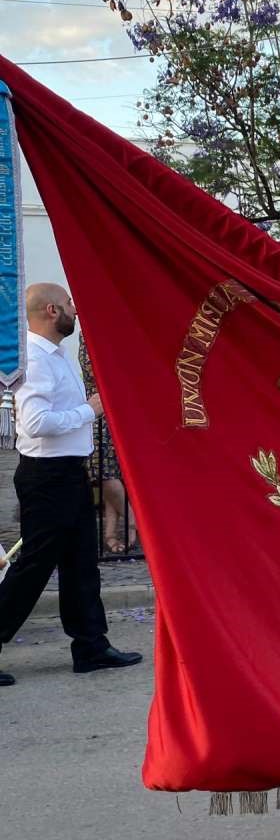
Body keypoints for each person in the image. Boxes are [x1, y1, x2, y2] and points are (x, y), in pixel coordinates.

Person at [0, 283, 142, 687]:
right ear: (50, 311)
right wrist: (89, 410)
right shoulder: (36, 360)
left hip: (68, 473)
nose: (74, 310)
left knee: (81, 562)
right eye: (67, 305)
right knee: (33, 567)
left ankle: (91, 646)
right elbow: (36, 423)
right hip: (46, 476)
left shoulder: (56, 356)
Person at [78, 333, 137, 554]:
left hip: (117, 409)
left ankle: (110, 534)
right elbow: (100, 372)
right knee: (101, 472)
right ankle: (134, 520)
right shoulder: (91, 335)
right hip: (96, 408)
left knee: (110, 472)